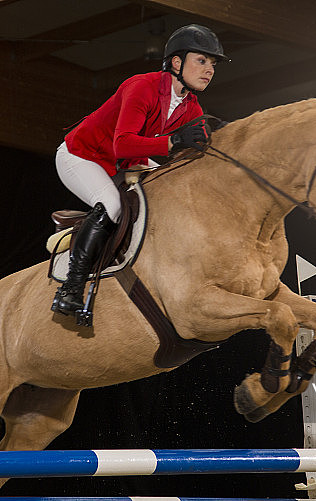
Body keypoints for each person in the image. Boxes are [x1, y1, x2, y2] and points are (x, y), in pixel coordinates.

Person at [51, 24, 228, 321]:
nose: (209, 69)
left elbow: (188, 158)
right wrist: (172, 142)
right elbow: (122, 145)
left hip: (125, 163)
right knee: (112, 205)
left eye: (213, 64)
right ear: (176, 62)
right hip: (83, 156)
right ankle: (71, 287)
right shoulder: (141, 86)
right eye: (202, 60)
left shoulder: (192, 107)